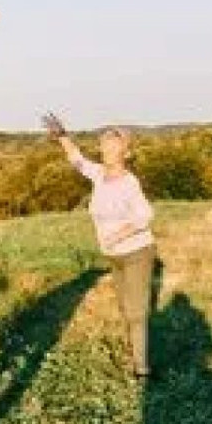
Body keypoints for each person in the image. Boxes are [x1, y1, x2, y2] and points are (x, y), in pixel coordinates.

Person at [43, 113, 158, 379]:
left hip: (137, 253)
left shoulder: (129, 183)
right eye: (104, 146)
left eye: (114, 148)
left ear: (126, 153)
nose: (107, 151)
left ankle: (142, 370)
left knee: (136, 311)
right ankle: (134, 351)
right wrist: (62, 137)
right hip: (114, 256)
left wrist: (117, 236)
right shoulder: (99, 175)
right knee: (124, 306)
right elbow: (78, 161)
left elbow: (145, 215)